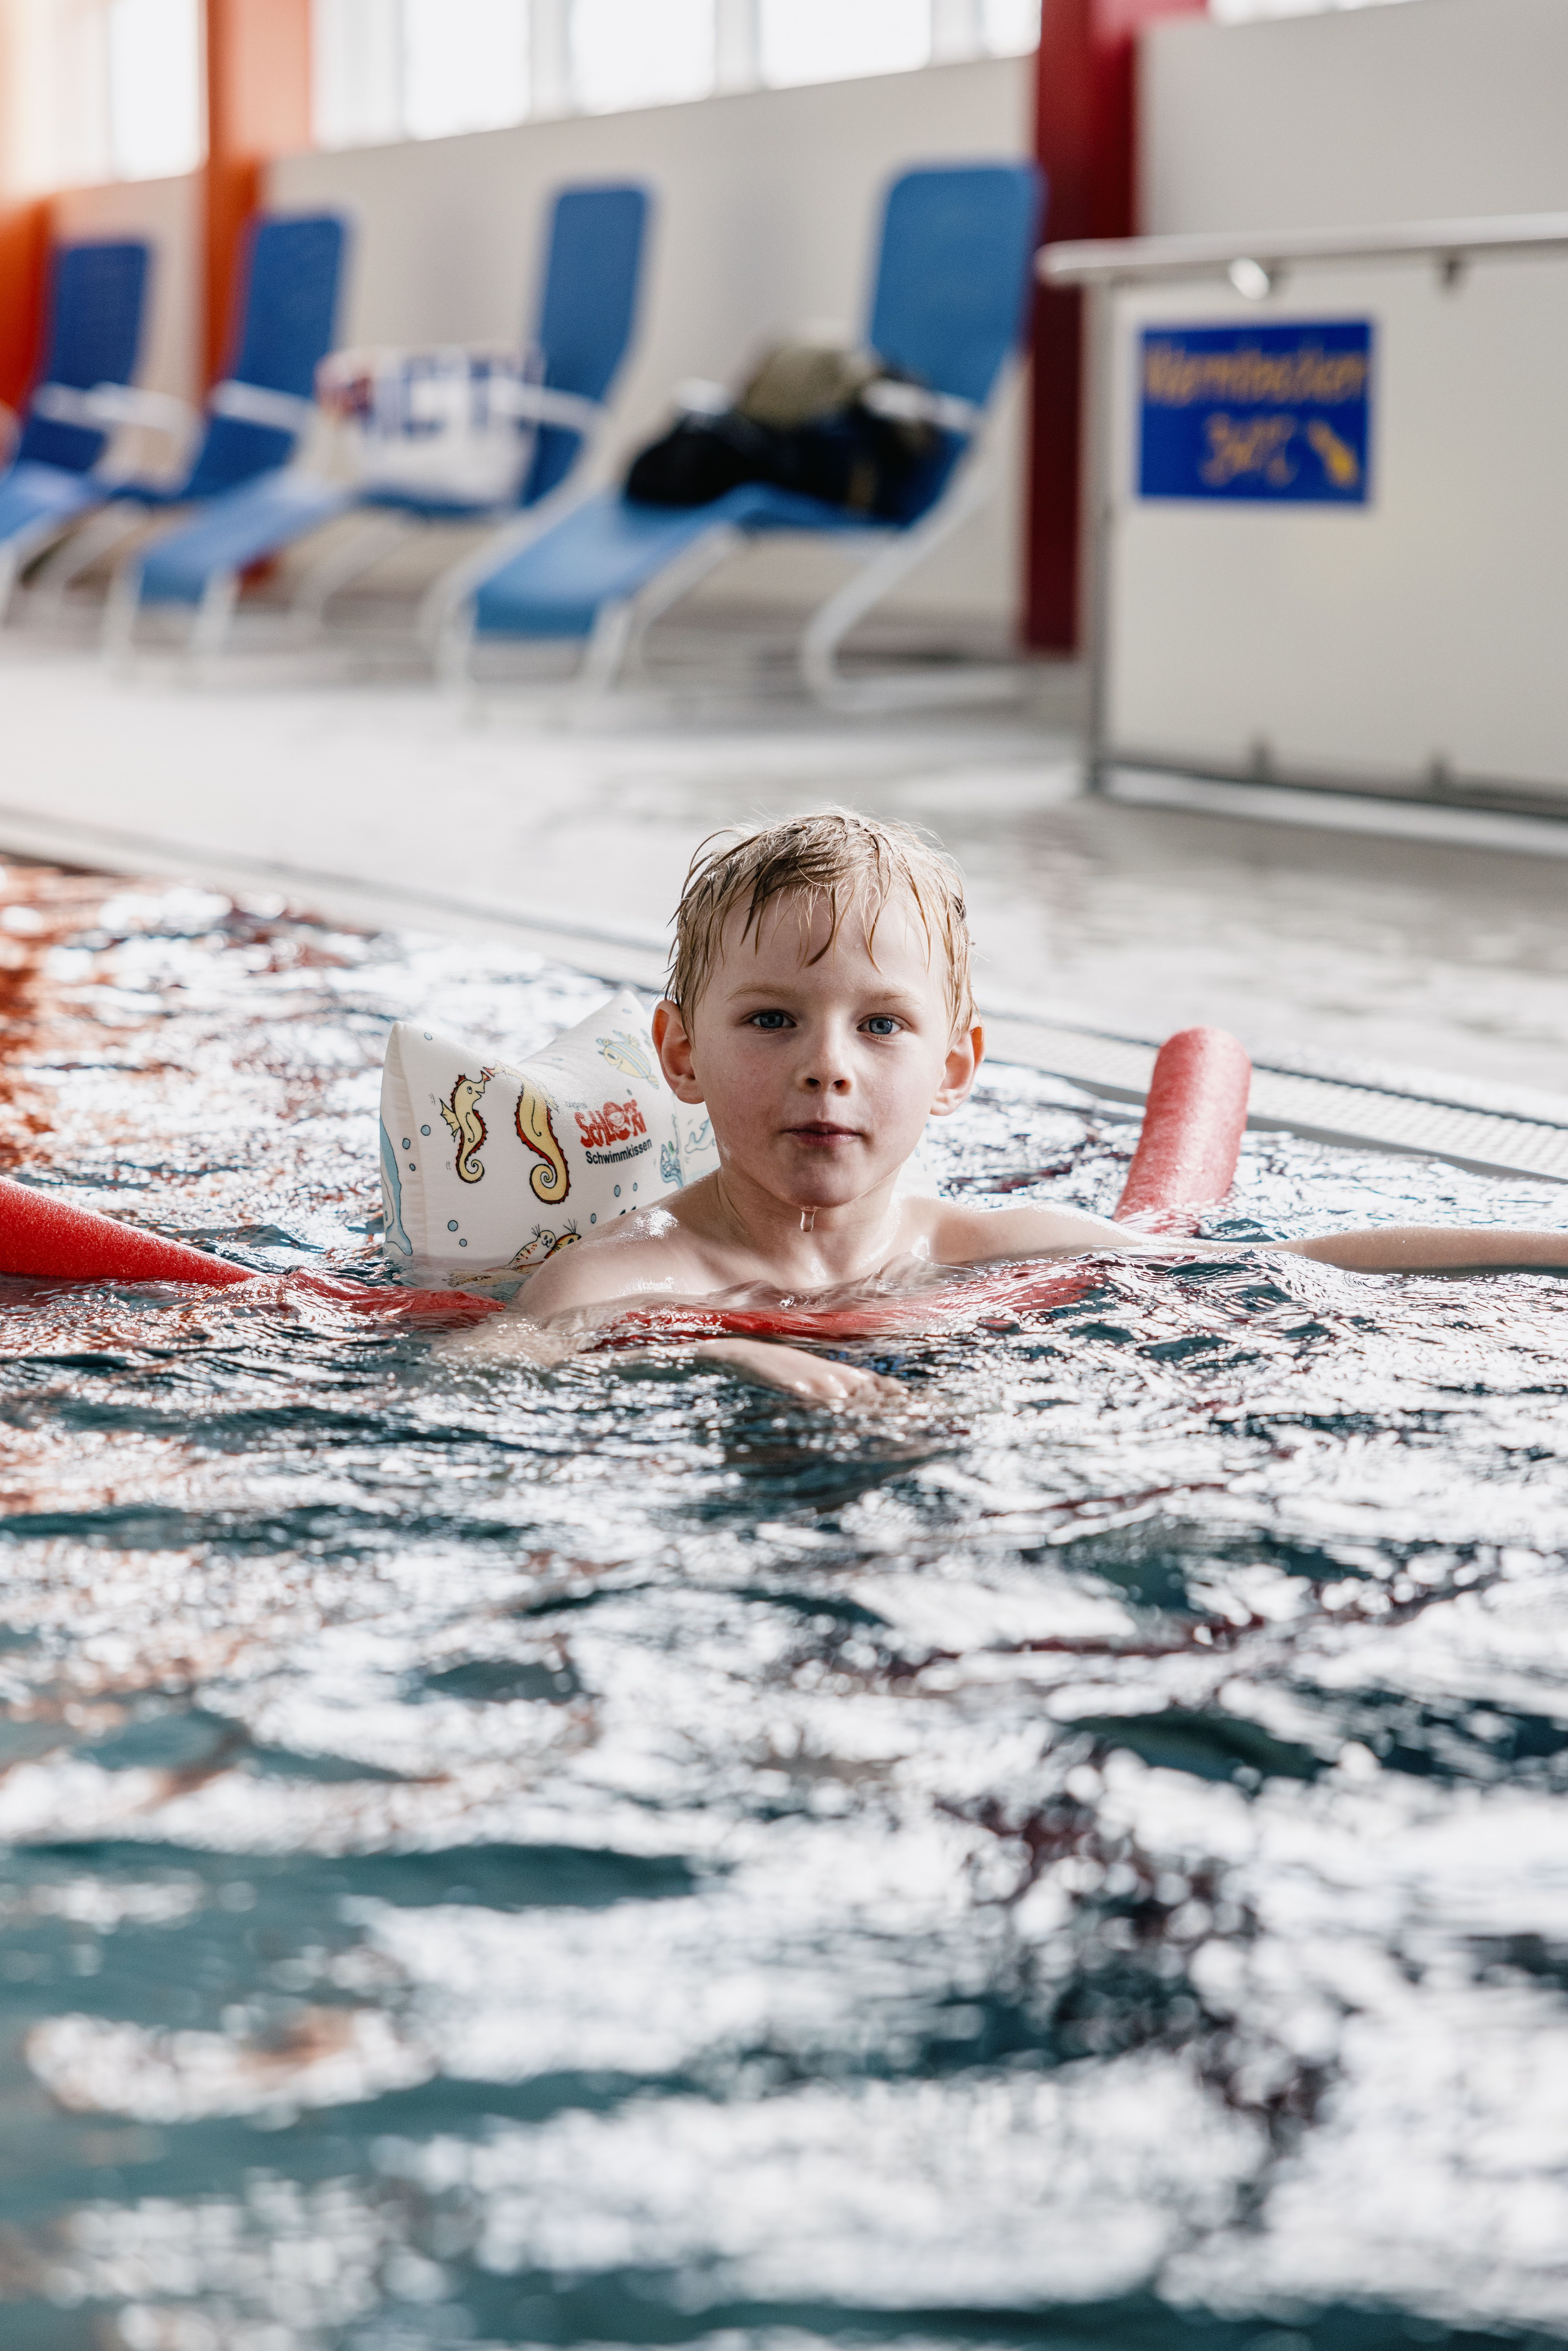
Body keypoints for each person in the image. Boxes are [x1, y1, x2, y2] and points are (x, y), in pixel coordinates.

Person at [458, 810, 1568, 1406]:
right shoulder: (629, 1276)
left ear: (955, 1069)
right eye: (771, 1020)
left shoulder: (983, 1246)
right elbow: (490, 1371)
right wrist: (715, 1355)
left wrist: (1544, 1247)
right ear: (680, 1053)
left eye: (882, 1025)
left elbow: (1285, 1261)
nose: (827, 1066)